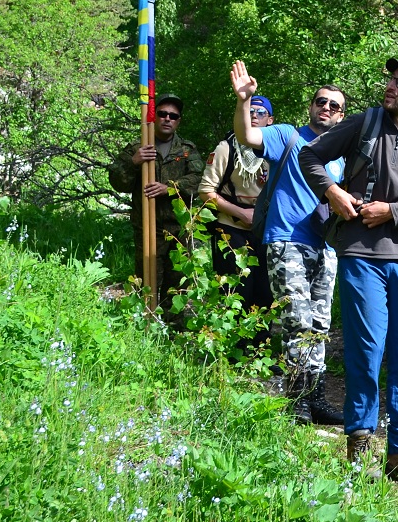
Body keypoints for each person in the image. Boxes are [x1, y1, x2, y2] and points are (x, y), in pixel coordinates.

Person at [299, 59, 398, 483]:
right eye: (391, 78)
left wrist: (393, 211)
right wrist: (332, 192)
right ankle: (358, 450)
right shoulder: (364, 123)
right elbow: (309, 155)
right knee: (365, 351)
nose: (391, 85)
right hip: (361, 254)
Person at [230, 66, 347, 425]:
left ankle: (317, 399)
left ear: (341, 116)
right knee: (297, 320)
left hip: (326, 247)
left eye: (334, 106)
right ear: (311, 107)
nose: (326, 108)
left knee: (320, 324)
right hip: (287, 240)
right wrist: (244, 100)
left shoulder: (342, 155)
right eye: (321, 102)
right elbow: (247, 135)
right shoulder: (287, 137)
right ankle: (297, 400)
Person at [107, 93, 205, 324]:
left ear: (178, 121)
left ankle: (172, 330)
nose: (167, 119)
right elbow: (117, 182)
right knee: (146, 282)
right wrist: (134, 162)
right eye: (162, 114)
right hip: (147, 228)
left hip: (179, 230)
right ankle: (145, 328)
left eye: (173, 116)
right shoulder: (138, 147)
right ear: (154, 117)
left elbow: (200, 181)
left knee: (177, 285)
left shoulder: (187, 150)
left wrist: (170, 188)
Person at [199, 94, 274, 343]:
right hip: (231, 227)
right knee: (237, 289)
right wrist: (241, 213)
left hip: (266, 229)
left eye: (260, 113)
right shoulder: (226, 148)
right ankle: (232, 350)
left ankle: (259, 349)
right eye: (250, 111)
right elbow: (205, 191)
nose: (254, 116)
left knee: (266, 291)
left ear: (270, 120)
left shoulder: (275, 150)